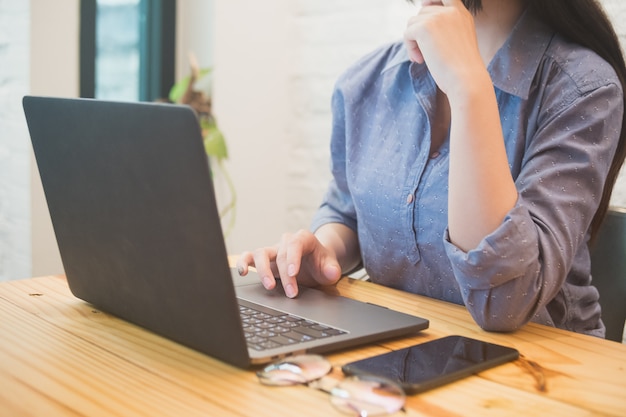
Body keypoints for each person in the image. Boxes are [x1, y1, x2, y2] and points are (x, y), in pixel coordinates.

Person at [237, 0, 626, 337]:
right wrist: (325, 251)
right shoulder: (367, 81)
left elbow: (504, 302)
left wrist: (469, 86)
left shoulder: (582, 88)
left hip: (543, 377)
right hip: (400, 354)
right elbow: (348, 211)